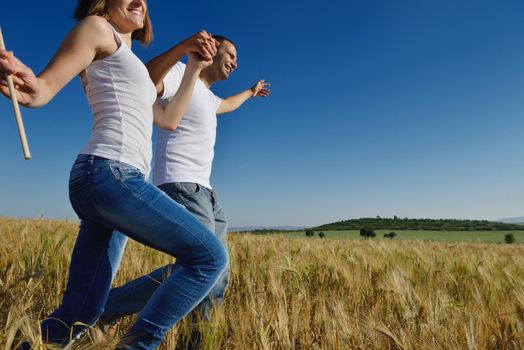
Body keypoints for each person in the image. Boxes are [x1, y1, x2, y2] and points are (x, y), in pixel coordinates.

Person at [0, 1, 228, 349]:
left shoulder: (133, 65)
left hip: (111, 182)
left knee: (82, 310)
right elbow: (44, 88)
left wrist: (193, 64)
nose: (139, 2)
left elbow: (168, 120)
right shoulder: (98, 28)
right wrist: (29, 85)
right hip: (110, 172)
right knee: (209, 257)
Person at [99, 35, 270, 348]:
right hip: (181, 185)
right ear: (211, 50)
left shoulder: (209, 96)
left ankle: (195, 339)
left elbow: (228, 105)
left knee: (217, 275)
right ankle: (113, 309)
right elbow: (146, 81)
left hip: (207, 194)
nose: (234, 62)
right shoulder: (181, 73)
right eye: (230, 54)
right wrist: (184, 51)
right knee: (202, 267)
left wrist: (251, 91)